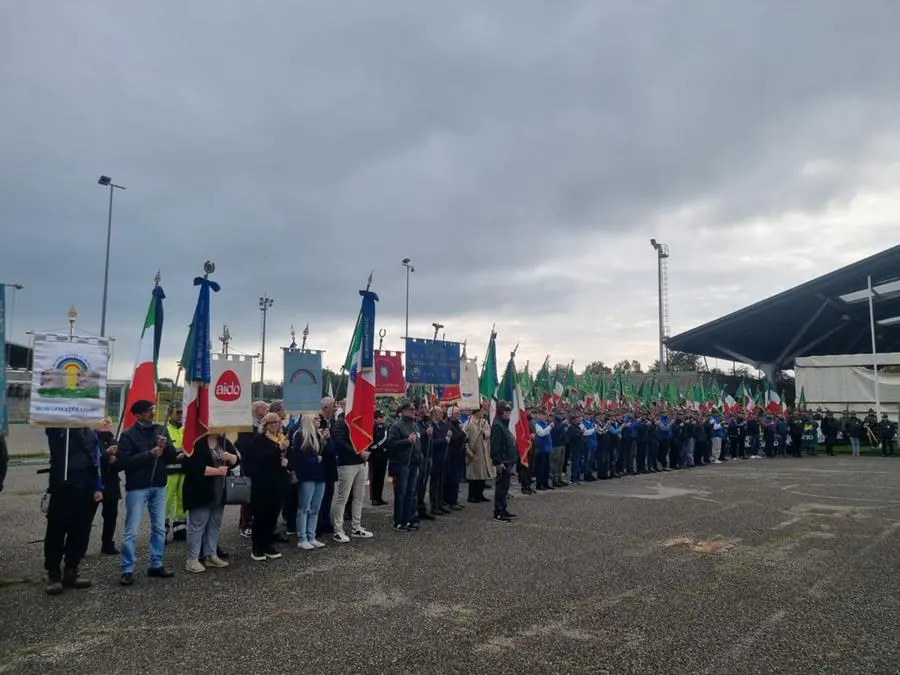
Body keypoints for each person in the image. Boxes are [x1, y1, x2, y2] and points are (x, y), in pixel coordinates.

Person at [116, 399, 178, 586]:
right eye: (148, 410)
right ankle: (127, 568)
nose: (152, 413)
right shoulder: (127, 435)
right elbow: (123, 463)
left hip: (158, 485)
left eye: (152, 409)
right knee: (132, 531)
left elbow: (172, 457)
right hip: (138, 487)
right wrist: (149, 454)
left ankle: (156, 564)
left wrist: (166, 447)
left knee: (159, 528)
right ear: (138, 415)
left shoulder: (161, 430)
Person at [43, 427, 104, 595]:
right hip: (63, 487)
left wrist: (98, 487)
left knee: (80, 531)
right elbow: (50, 430)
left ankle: (71, 570)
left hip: (86, 487)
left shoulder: (91, 433)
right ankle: (53, 574)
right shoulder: (59, 430)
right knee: (56, 531)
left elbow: (95, 460)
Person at [182, 433, 238, 573]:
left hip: (219, 490)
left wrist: (231, 458)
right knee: (197, 524)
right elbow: (190, 465)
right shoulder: (196, 441)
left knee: (215, 523)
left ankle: (211, 555)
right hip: (200, 490)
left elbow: (237, 460)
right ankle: (192, 559)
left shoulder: (223, 441)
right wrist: (216, 471)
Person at [248, 412, 291, 560]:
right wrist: (278, 448)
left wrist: (287, 462)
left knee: (273, 515)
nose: (275, 425)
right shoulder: (259, 439)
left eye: (277, 422)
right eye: (271, 422)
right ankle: (257, 546)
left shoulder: (282, 439)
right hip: (262, 483)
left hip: (278, 482)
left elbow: (288, 457)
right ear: (265, 425)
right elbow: (262, 457)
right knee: (261, 515)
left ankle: (268, 543)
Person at [330, 402, 374, 543]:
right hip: (347, 463)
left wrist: (365, 450)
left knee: (359, 497)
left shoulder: (359, 421)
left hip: (361, 462)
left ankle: (356, 527)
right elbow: (339, 442)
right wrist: (359, 452)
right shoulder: (341, 422)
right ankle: (338, 529)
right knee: (343, 497)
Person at [292, 414, 329, 549]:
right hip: (307, 475)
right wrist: (314, 460)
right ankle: (302, 537)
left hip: (319, 474)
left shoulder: (319, 435)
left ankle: (311, 535)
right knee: (304, 507)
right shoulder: (300, 435)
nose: (319, 421)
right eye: (316, 419)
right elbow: (298, 457)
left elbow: (326, 453)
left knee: (315, 507)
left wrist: (326, 440)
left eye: (320, 419)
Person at [386, 400, 423, 531]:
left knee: (410, 493)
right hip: (401, 463)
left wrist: (420, 457)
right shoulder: (397, 426)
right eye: (411, 409)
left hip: (413, 462)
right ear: (404, 411)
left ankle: (407, 519)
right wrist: (406, 441)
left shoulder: (415, 425)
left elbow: (418, 444)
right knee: (400, 493)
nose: (414, 411)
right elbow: (390, 445)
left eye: (414, 409)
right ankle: (398, 521)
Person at [235, 400, 268, 538]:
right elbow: (244, 447)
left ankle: (254, 522)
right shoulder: (247, 426)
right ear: (257, 410)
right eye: (264, 408)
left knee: (259, 497)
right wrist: (259, 436)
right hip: (249, 467)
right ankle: (246, 524)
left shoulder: (264, 426)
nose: (267, 410)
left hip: (262, 468)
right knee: (248, 497)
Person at [96, 417, 121, 555]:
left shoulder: (113, 439)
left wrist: (116, 460)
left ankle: (108, 544)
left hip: (111, 484)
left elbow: (122, 461)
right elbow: (92, 459)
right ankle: (79, 546)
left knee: (111, 517)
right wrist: (106, 455)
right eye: (102, 421)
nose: (105, 424)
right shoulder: (92, 439)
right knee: (86, 518)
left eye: (107, 421)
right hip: (95, 483)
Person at [163, 400, 187, 542]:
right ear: (169, 413)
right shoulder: (164, 429)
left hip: (184, 471)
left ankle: (180, 528)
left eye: (182, 413)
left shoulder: (186, 429)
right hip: (169, 472)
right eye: (177, 412)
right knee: (166, 501)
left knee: (182, 500)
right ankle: (163, 530)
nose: (180, 415)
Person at [490, 401, 518, 522]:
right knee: (501, 488)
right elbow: (495, 446)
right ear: (501, 411)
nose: (509, 413)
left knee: (505, 487)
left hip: (508, 460)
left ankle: (503, 509)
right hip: (503, 461)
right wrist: (497, 462)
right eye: (506, 411)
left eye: (509, 411)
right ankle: (498, 512)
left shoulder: (503, 425)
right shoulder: (497, 426)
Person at [464, 406, 493, 503]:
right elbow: (464, 440)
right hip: (474, 453)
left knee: (482, 476)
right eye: (481, 411)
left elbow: (489, 433)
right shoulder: (469, 424)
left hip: (484, 453)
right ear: (476, 412)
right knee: (474, 476)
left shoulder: (484, 422)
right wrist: (469, 452)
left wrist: (483, 432)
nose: (483, 412)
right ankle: (472, 495)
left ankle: (480, 494)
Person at [444, 406, 468, 509]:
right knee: (452, 479)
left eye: (459, 413)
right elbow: (454, 440)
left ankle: (455, 499)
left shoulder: (457, 424)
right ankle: (451, 501)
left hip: (459, 455)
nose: (459, 415)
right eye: (456, 413)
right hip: (451, 455)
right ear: (450, 415)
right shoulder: (447, 425)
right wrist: (464, 432)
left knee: (456, 479)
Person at [369, 410, 389, 506]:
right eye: (381, 417)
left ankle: (379, 497)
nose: (383, 419)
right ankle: (374, 498)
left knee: (381, 478)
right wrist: (376, 448)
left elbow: (386, 440)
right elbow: (371, 442)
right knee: (374, 478)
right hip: (375, 455)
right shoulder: (372, 428)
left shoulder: (385, 428)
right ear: (376, 419)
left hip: (383, 456)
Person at [532, 409, 553, 490]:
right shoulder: (537, 424)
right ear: (540, 415)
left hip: (547, 448)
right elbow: (541, 433)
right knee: (540, 468)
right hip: (541, 449)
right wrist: (549, 427)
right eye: (544, 415)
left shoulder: (545, 423)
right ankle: (539, 484)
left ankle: (545, 482)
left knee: (546, 468)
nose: (546, 416)